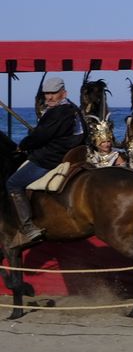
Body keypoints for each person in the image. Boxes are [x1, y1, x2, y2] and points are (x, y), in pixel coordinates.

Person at [6, 76, 86, 247]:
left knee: (13, 183)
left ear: (63, 93)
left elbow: (41, 136)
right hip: (71, 154)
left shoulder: (58, 112)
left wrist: (24, 144)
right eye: (46, 94)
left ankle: (28, 228)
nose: (49, 97)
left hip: (51, 158)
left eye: (53, 93)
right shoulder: (73, 109)